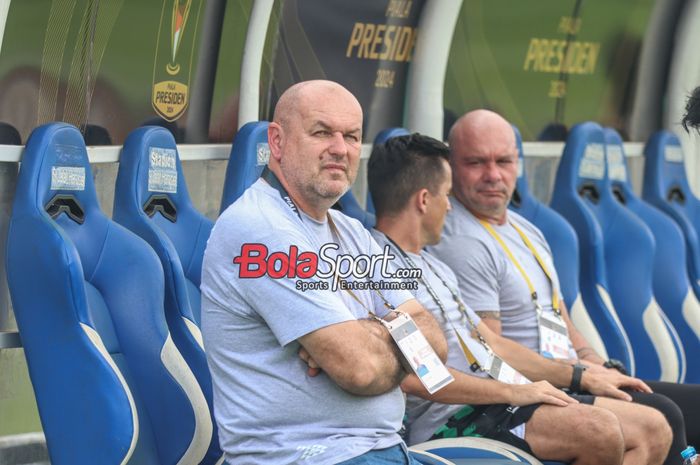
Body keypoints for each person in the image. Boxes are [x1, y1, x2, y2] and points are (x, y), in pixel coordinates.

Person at [369, 133, 672, 465]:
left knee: (654, 427)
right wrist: (514, 391)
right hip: (449, 423)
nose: (450, 205)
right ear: (424, 200)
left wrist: (576, 377)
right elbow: (419, 378)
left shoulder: (435, 266)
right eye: (446, 195)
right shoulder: (384, 272)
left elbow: (491, 345)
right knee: (599, 432)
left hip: (497, 400)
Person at [429, 109, 700, 465]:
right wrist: (580, 376)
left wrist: (598, 365)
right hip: (529, 389)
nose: (493, 175)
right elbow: (490, 356)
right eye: (476, 162)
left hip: (569, 376)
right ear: (451, 167)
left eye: (504, 161)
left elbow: (562, 317)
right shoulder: (462, 241)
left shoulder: (528, 229)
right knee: (661, 415)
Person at [200, 80, 447, 465]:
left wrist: (370, 331)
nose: (339, 149)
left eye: (351, 136)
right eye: (321, 132)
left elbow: (434, 350)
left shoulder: (350, 231)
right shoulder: (262, 231)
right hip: (307, 457)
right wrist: (396, 338)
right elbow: (361, 370)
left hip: (382, 449)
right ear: (277, 142)